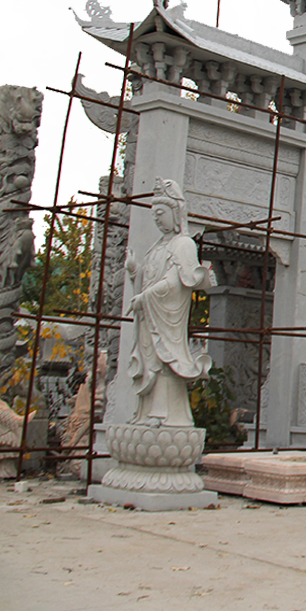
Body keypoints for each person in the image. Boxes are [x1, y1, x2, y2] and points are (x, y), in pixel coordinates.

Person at [125, 178, 214, 427]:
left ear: (175, 214)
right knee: (149, 360)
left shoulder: (183, 244)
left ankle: (164, 415)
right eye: (154, 214)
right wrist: (135, 272)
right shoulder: (156, 247)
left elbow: (175, 284)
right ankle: (144, 413)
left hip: (166, 318)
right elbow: (148, 278)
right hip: (150, 316)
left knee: (164, 364)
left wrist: (145, 297)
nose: (157, 219)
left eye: (161, 213)